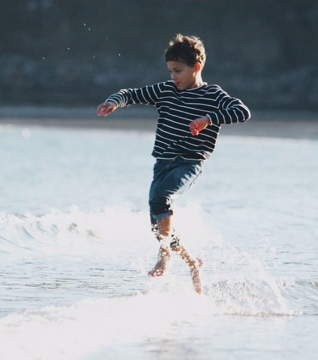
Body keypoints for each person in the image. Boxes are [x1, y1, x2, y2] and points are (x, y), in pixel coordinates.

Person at [96, 34, 251, 294]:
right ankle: (193, 263)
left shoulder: (213, 94)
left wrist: (208, 119)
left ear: (197, 67)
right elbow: (131, 94)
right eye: (170, 71)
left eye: (178, 71)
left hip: (190, 163)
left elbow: (242, 112)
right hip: (163, 163)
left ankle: (165, 256)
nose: (173, 77)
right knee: (158, 214)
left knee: (161, 198)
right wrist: (114, 101)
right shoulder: (166, 91)